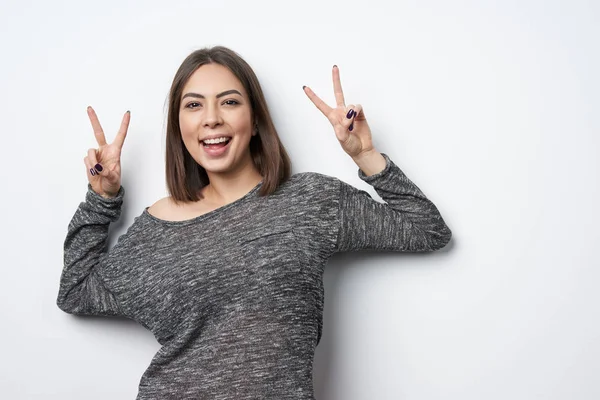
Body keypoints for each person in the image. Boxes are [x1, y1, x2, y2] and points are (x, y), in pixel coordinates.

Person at [57, 45, 452, 400]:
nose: (211, 119)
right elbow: (74, 292)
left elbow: (427, 230)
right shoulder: (157, 228)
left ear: (256, 119)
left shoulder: (309, 202)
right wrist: (102, 198)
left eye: (229, 102)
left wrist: (364, 154)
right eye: (193, 105)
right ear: (180, 127)